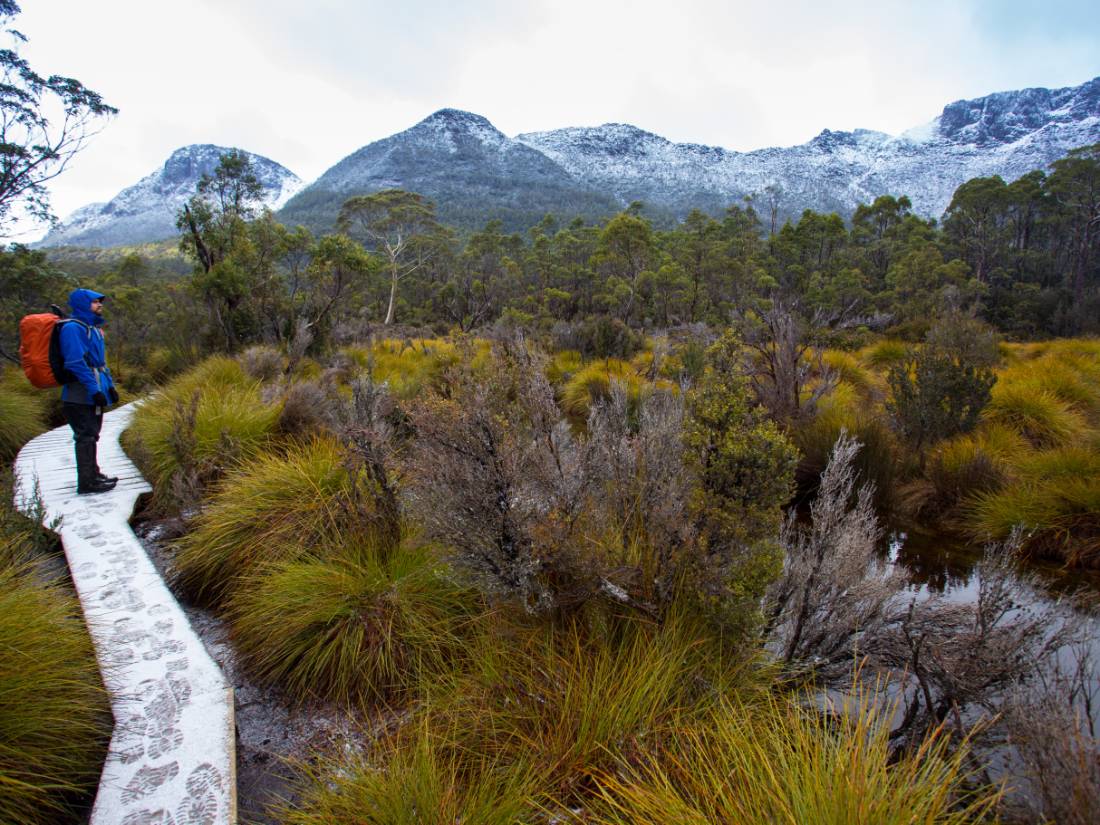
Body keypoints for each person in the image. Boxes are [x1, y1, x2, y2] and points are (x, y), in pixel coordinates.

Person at [60, 288, 120, 494]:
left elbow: (101, 363)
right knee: (85, 436)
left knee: (93, 434)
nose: (99, 305)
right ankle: (86, 483)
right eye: (94, 302)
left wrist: (109, 387)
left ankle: (94, 474)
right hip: (79, 394)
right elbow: (76, 363)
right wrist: (94, 389)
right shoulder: (73, 329)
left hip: (93, 391)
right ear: (83, 304)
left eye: (99, 302)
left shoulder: (92, 328)